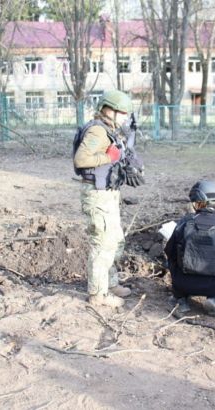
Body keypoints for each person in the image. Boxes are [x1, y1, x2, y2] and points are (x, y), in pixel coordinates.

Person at [73, 90, 145, 308]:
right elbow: (81, 159)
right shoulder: (97, 130)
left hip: (108, 193)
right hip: (96, 195)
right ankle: (97, 294)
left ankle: (110, 283)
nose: (124, 117)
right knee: (102, 244)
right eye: (122, 113)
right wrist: (110, 156)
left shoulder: (110, 130)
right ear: (108, 110)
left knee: (115, 241)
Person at [164, 181, 215, 318]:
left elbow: (169, 252)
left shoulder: (183, 223)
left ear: (196, 200)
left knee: (171, 261)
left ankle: (181, 300)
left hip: (183, 282)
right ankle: (214, 300)